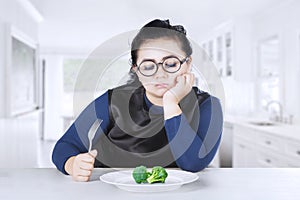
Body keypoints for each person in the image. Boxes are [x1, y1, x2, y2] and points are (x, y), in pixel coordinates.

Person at [52, 19, 223, 182]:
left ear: (188, 63)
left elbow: (193, 163)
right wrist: (72, 164)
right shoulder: (114, 100)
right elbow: (65, 146)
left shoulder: (208, 106)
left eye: (170, 64)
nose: (160, 74)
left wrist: (170, 103)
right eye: (148, 66)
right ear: (136, 70)